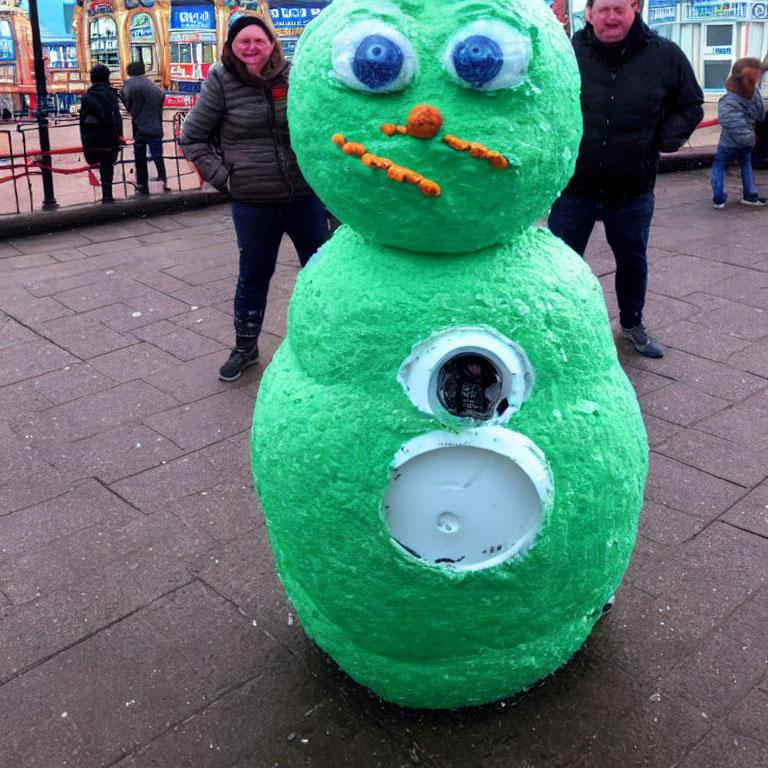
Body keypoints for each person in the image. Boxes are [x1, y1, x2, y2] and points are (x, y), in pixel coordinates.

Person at [548, 0, 703, 359]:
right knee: (561, 263)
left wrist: (667, 137)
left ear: (634, 8)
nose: (611, 18)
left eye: (619, 9)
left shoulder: (666, 55)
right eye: (603, 10)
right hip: (575, 188)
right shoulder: (567, 55)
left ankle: (632, 324)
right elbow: (542, 103)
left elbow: (691, 103)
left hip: (632, 190)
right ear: (588, 13)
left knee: (632, 261)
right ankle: (557, 327)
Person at [180, 15, 329, 382]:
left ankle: (328, 342)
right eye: (243, 41)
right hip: (252, 202)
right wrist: (225, 179)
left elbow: (322, 125)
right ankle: (245, 346)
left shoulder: (294, 77)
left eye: (258, 41)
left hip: (302, 196)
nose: (251, 48)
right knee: (254, 276)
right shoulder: (222, 80)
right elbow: (192, 137)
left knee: (322, 272)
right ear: (231, 47)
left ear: (272, 44)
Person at [711, 58, 766, 209]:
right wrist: (750, 138)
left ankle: (718, 198)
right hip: (748, 140)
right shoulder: (754, 94)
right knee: (746, 165)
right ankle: (750, 196)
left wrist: (746, 138)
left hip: (729, 142)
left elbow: (728, 121)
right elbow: (761, 115)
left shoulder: (728, 100)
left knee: (718, 165)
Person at [120, 60, 169, 195]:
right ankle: (163, 179)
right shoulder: (152, 85)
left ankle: (142, 184)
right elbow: (161, 97)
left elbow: (127, 102)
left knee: (140, 156)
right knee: (157, 154)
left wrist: (135, 113)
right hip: (155, 125)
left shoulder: (130, 84)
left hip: (140, 126)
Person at [79, 64, 123, 204]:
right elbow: (116, 117)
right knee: (107, 167)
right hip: (110, 136)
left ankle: (104, 194)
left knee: (99, 164)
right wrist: (119, 136)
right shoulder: (111, 94)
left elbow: (83, 122)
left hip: (93, 138)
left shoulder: (87, 96)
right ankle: (107, 194)